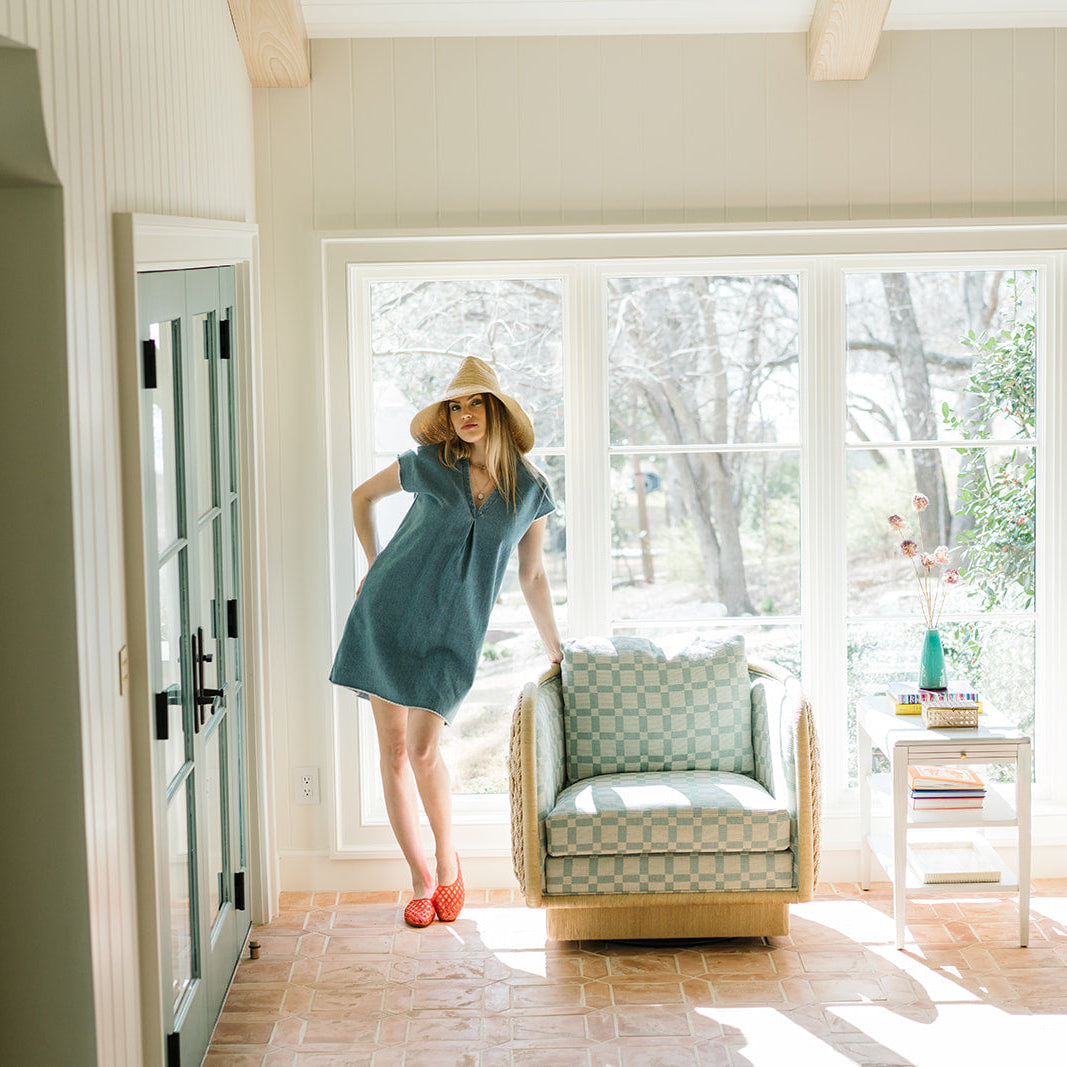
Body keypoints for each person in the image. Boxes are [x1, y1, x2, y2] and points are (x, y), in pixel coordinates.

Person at [329, 356, 563, 927]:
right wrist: (373, 564)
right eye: (456, 406)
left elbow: (532, 574)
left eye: (475, 403)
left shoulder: (531, 490)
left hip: (455, 635)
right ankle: (420, 880)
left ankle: (447, 861)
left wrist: (556, 648)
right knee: (392, 751)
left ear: (497, 411)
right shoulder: (431, 463)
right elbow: (361, 497)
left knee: (423, 750)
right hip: (386, 616)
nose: (464, 414)